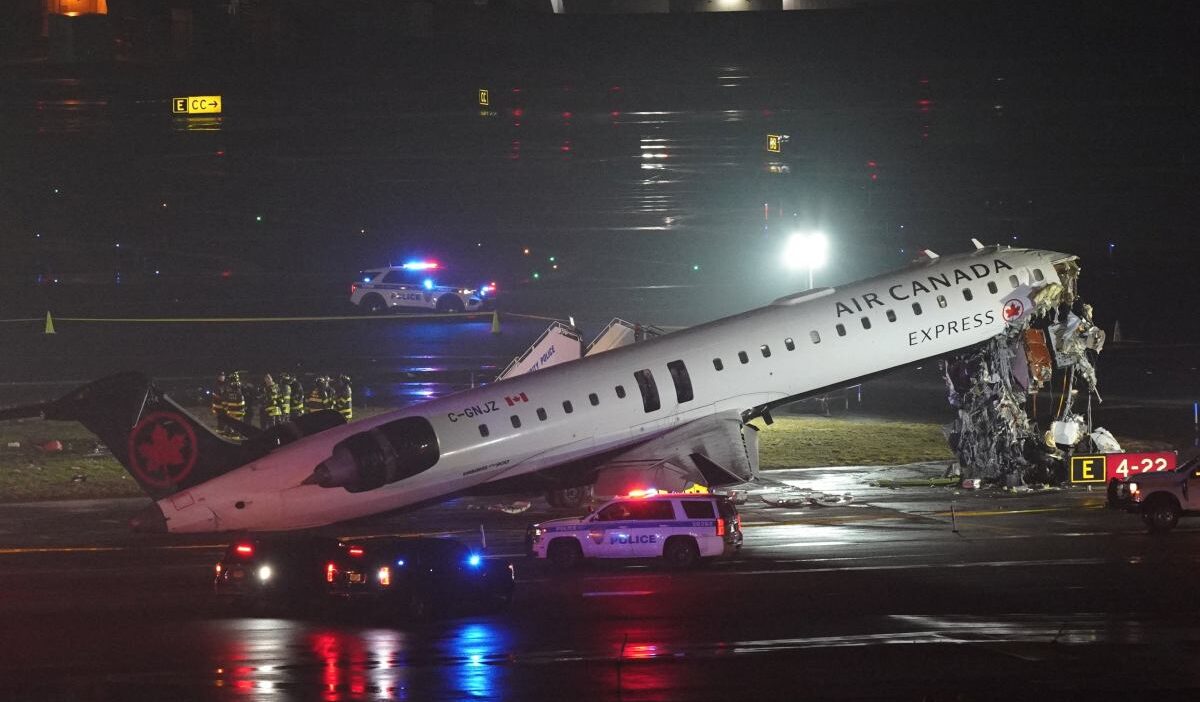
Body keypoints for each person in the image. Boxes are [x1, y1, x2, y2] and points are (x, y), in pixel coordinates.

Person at [221, 372, 247, 438]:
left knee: (230, 427)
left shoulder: (227, 389)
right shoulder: (239, 389)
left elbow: (224, 401)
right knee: (237, 429)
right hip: (238, 412)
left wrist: (226, 409)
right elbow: (242, 400)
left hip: (231, 412)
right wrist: (243, 410)